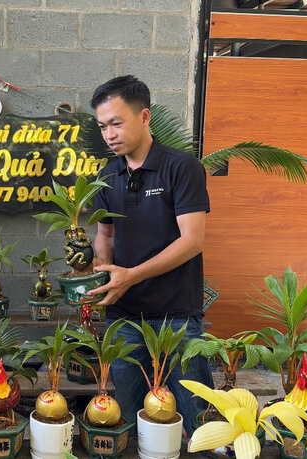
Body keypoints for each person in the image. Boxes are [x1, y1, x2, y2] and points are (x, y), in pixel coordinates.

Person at [87, 75, 213, 434]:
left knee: (197, 419)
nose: (109, 134)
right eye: (102, 126)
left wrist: (131, 275)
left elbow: (192, 241)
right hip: (123, 318)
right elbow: (105, 233)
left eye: (116, 123)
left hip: (177, 318)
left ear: (144, 117)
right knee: (128, 417)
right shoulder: (108, 174)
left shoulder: (181, 168)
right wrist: (99, 267)